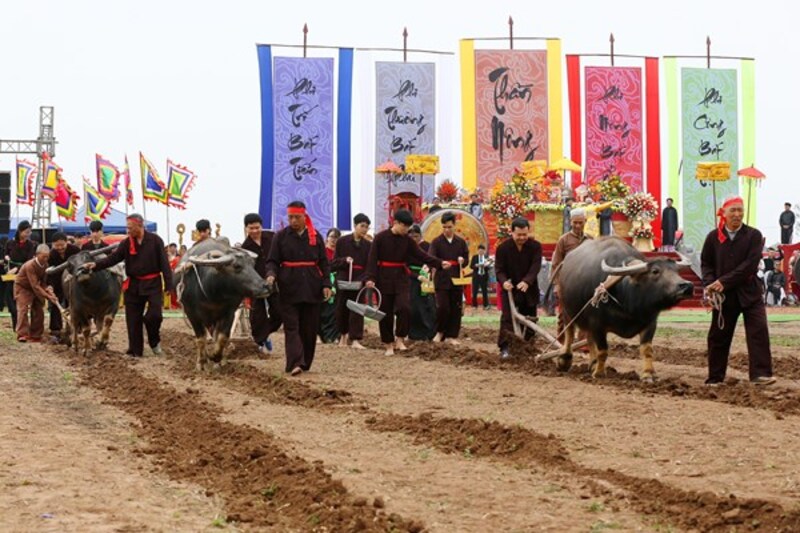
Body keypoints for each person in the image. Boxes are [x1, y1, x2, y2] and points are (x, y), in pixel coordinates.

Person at [701, 197, 775, 386]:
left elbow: (749, 266)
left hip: (750, 293)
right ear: (723, 213)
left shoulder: (754, 235)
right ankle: (715, 377)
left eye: (740, 210)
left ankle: (761, 374)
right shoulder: (712, 237)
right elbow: (706, 264)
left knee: (758, 332)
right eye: (733, 210)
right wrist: (710, 284)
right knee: (718, 336)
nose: (737, 214)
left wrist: (723, 281)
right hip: (724, 297)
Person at [86, 214, 172, 357]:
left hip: (152, 284)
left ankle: (154, 342)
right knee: (133, 319)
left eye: (130, 228)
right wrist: (95, 265)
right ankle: (135, 350)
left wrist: (169, 285)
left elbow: (165, 264)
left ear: (140, 226)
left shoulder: (155, 241)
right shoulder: (126, 243)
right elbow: (112, 259)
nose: (128, 231)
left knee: (154, 316)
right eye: (127, 228)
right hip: (133, 284)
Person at [365, 209, 448, 355]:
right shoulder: (380, 238)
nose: (406, 230)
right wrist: (370, 278)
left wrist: (439, 263)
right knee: (385, 313)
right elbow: (372, 259)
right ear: (395, 223)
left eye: (408, 227)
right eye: (404, 226)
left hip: (401, 278)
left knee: (405, 308)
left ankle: (400, 338)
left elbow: (422, 255)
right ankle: (388, 344)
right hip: (383, 278)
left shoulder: (408, 241)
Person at [265, 201, 331, 376]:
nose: (293, 221)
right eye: (290, 217)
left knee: (309, 329)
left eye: (297, 217)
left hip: (312, 287)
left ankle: (305, 363)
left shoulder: (315, 237)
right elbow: (272, 261)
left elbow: (324, 263)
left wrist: (327, 284)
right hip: (288, 288)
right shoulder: (280, 237)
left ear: (305, 216)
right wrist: (271, 274)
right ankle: (295, 362)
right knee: (291, 327)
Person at [495, 217, 542, 359]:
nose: (522, 238)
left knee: (530, 318)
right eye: (519, 235)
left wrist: (527, 281)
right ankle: (506, 348)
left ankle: (528, 347)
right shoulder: (503, 248)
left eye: (525, 235)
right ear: (512, 232)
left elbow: (536, 266)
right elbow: (499, 269)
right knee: (508, 319)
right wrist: (504, 282)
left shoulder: (535, 247)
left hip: (529, 288)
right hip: (510, 290)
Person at [241, 213, 281, 354]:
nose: (255, 231)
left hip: (275, 281)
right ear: (246, 228)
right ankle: (259, 342)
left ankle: (264, 335)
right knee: (257, 315)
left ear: (261, 226)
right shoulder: (245, 248)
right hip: (255, 285)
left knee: (279, 312)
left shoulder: (272, 237)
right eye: (251, 228)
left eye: (257, 227)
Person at [551, 208, 592, 343]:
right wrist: (557, 285)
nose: (578, 226)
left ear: (585, 222)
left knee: (586, 313)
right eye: (575, 223)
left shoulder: (590, 240)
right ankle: (562, 341)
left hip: (585, 283)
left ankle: (583, 343)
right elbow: (556, 263)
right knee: (564, 314)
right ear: (570, 222)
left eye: (581, 222)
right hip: (567, 283)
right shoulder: (564, 240)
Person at [429, 211, 470, 345]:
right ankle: (440, 331)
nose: (447, 229)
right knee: (443, 307)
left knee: (456, 308)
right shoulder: (436, 242)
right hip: (441, 279)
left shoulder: (461, 242)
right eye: (444, 227)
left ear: (454, 225)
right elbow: (431, 258)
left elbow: (467, 260)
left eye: (449, 227)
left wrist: (462, 260)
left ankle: (452, 335)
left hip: (456, 279)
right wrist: (440, 263)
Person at [332, 213, 371, 349]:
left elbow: (369, 266)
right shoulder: (342, 242)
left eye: (367, 227)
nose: (364, 229)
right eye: (362, 226)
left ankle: (355, 339)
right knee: (341, 308)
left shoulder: (368, 245)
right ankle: (342, 336)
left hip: (359, 280)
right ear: (355, 226)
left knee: (357, 309)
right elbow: (334, 262)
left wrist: (363, 280)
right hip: (343, 279)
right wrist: (344, 261)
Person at [13, 244, 59, 342]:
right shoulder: (30, 265)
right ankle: (22, 334)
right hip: (23, 287)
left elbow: (43, 282)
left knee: (39, 310)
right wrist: (48, 297)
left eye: (47, 256)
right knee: (23, 309)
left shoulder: (46, 265)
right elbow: (35, 285)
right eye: (43, 256)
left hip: (36, 288)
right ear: (37, 255)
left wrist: (49, 290)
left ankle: (36, 334)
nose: (46, 259)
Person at [46, 232, 81, 339]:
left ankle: (76, 327)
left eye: (62, 245)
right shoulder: (51, 254)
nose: (60, 248)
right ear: (53, 244)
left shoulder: (75, 251)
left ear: (67, 242)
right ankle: (56, 330)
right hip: (57, 282)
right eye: (57, 245)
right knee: (55, 305)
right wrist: (50, 285)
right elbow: (50, 273)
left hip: (73, 282)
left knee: (75, 305)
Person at [4, 221, 37, 330]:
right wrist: (6, 259)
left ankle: (25, 327)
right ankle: (15, 327)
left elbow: (29, 261)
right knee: (12, 304)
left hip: (23, 276)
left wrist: (17, 269)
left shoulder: (30, 245)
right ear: (20, 231)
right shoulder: (10, 243)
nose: (28, 234)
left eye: (29, 232)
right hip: (10, 276)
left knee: (22, 304)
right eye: (26, 231)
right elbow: (5, 256)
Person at [407, 224, 437, 341]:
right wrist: (416, 275)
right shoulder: (407, 248)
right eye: (411, 236)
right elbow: (405, 265)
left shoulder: (427, 246)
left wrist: (427, 268)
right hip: (412, 279)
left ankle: (429, 332)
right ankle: (413, 333)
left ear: (420, 235)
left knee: (428, 305)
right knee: (413, 306)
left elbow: (432, 260)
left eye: (416, 236)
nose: (414, 239)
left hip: (426, 278)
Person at [318, 227, 341, 344]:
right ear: (327, 238)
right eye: (332, 236)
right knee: (321, 310)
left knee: (334, 311)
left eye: (336, 237)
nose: (334, 240)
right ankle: (320, 335)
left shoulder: (339, 253)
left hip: (336, 283)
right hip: (323, 282)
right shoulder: (322, 252)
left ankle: (332, 336)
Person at [469, 244, 491, 310]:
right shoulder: (474, 257)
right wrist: (476, 266)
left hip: (484, 276)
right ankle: (474, 305)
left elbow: (490, 267)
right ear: (478, 251)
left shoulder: (486, 257)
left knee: (485, 292)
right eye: (480, 251)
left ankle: (485, 305)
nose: (481, 252)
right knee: (474, 291)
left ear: (484, 251)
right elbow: (471, 266)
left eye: (482, 251)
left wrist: (486, 266)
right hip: (476, 276)